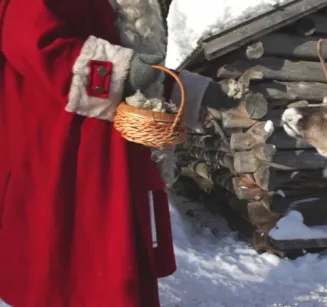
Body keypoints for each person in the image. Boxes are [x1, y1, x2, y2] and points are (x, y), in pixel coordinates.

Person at [0, 0, 235, 305]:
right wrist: (122, 73)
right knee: (70, 271)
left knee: (113, 263)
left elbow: (128, 59)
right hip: (59, 151)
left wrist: (187, 90)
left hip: (108, 153)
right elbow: (34, 42)